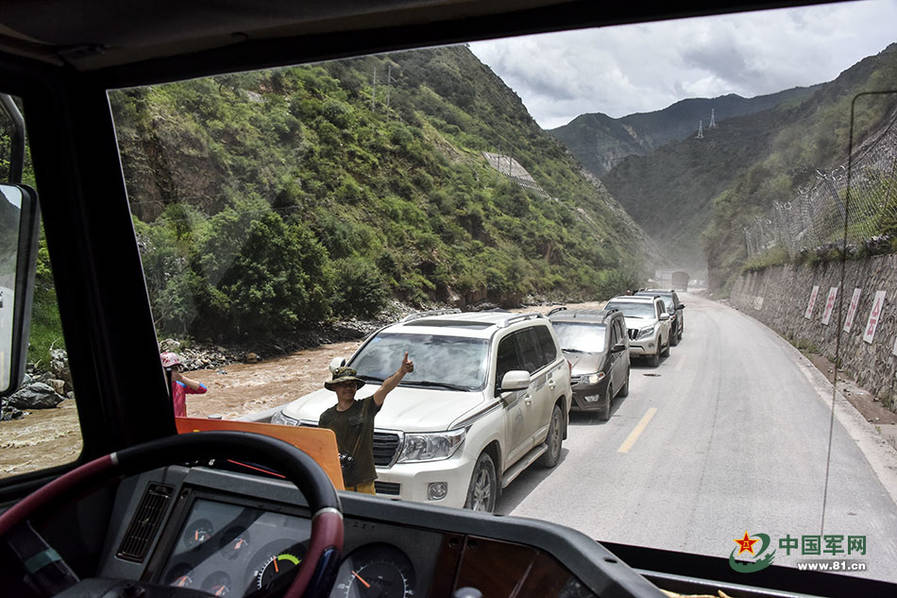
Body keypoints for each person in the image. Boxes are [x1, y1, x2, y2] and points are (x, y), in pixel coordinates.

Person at [319, 352, 413, 494]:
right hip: (337, 481)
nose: (349, 388)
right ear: (334, 388)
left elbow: (385, 388)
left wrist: (402, 371)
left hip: (364, 483)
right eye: (343, 384)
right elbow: (322, 450)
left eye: (352, 385)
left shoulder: (367, 407)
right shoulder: (326, 417)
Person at [160, 352, 207, 417]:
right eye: (171, 369)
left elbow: (203, 389)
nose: (175, 372)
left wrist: (181, 378)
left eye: (176, 368)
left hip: (181, 424)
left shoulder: (180, 385)